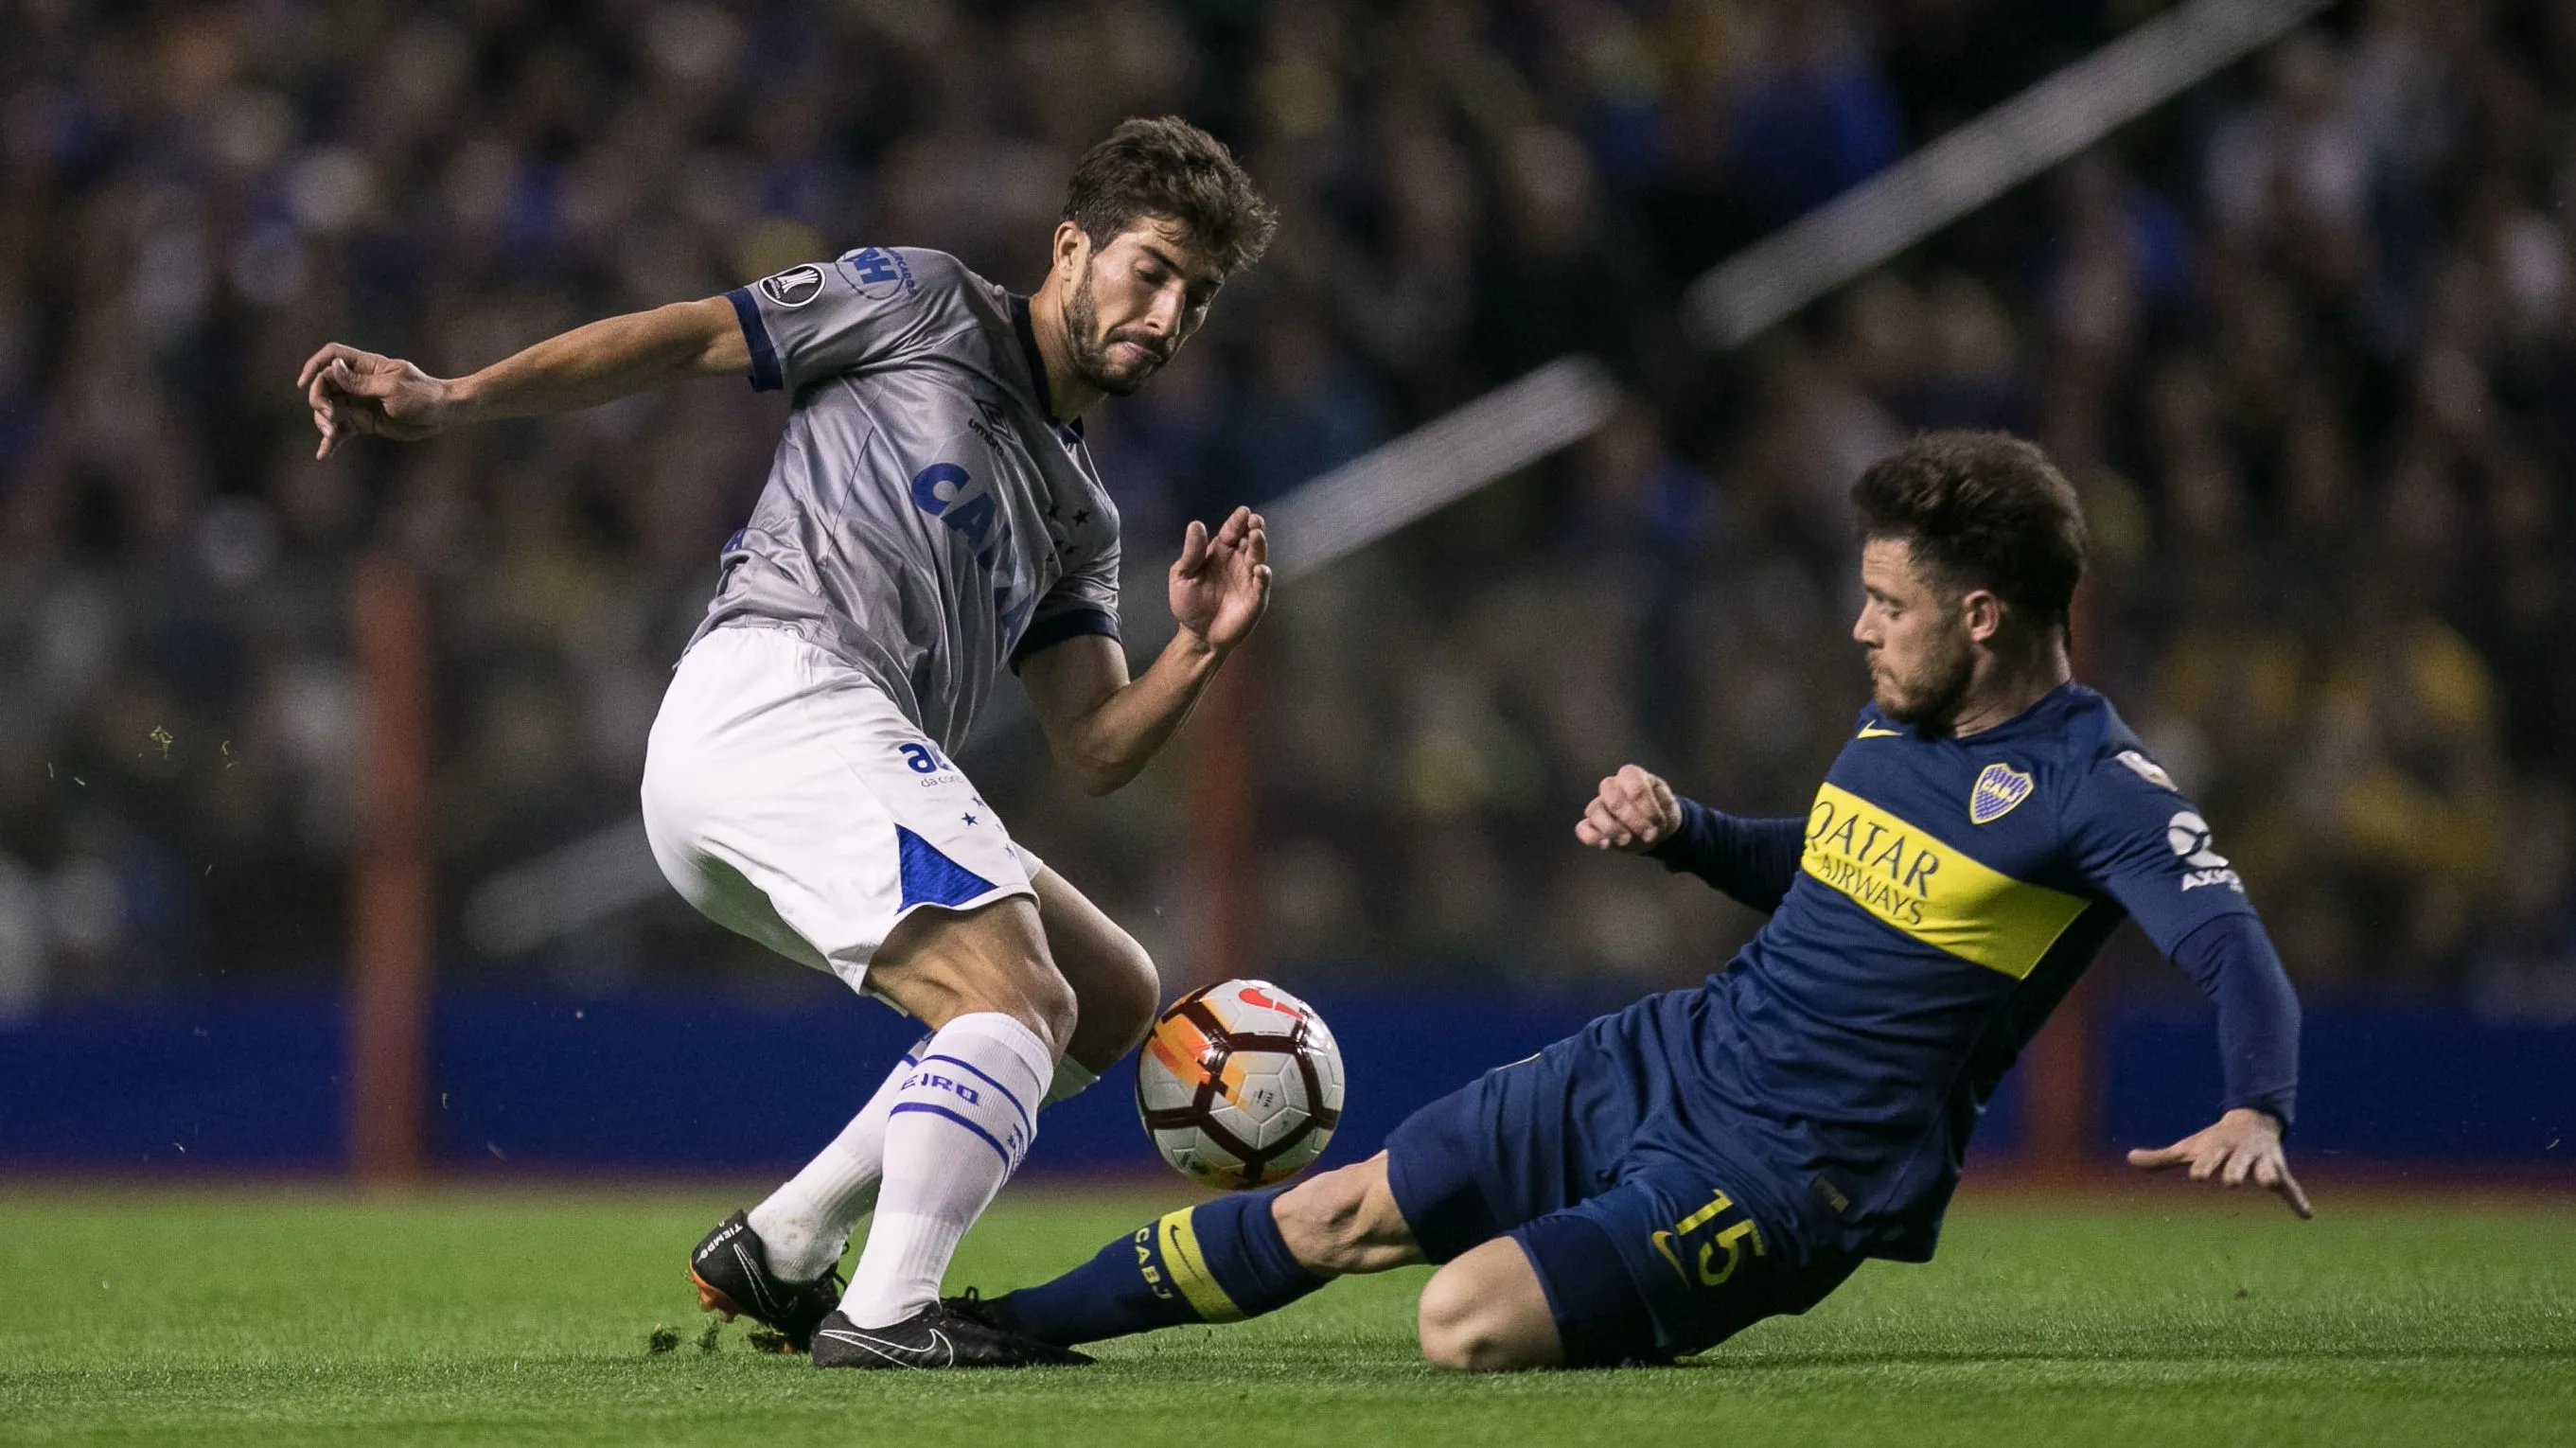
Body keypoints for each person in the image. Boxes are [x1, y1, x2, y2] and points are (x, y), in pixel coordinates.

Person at [967, 431, 2308, 1370]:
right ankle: (1000, 1325)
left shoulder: (2098, 789)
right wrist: (1686, 834)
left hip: (1780, 1175)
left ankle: (1619, 1279)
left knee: (1460, 1321)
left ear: (1980, 616)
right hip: (1665, 1055)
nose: (1858, 628)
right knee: (1341, 1209)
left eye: (1885, 604)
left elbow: (2233, 949)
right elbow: (1833, 872)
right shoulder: (1904, 717)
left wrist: (2256, 1103)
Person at [298, 117, 1279, 1369]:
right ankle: (888, 1311)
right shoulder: (923, 300)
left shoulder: (1082, 513)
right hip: (777, 694)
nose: (1170, 312)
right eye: (1152, 269)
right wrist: (458, 397)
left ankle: (786, 1240)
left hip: (829, 748)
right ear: (1072, 248)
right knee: (1019, 997)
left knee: (1109, 996)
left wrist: (1197, 648)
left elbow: (1092, 745)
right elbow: (692, 336)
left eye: (1198, 294)